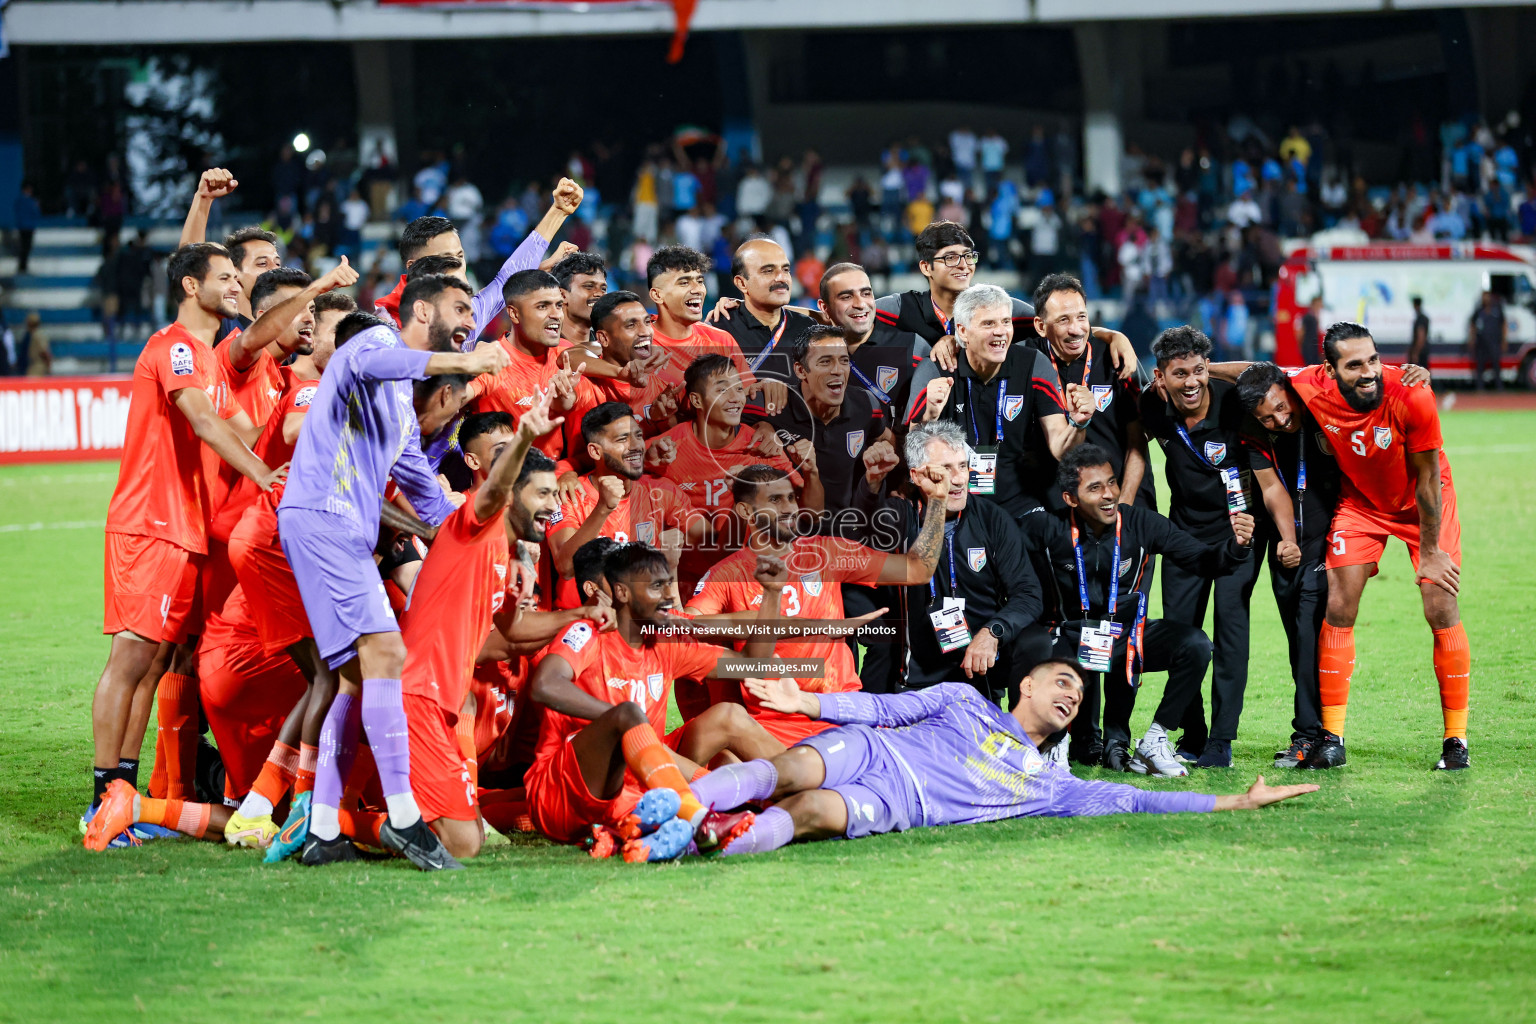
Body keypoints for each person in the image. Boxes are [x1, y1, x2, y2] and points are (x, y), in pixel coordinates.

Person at [275, 275, 511, 870]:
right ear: (422, 310)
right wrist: (469, 356)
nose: (468, 317)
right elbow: (387, 359)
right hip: (325, 518)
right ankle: (406, 819)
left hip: (337, 530)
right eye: (459, 308)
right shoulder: (370, 339)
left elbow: (429, 502)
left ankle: (324, 828)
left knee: (358, 678)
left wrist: (497, 527)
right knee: (387, 655)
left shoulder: (403, 410)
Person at [668, 662, 1317, 858]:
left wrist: (1234, 801)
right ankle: (675, 808)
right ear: (1026, 686)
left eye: (1079, 693)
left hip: (903, 805)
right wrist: (805, 701)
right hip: (875, 749)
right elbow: (885, 708)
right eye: (1062, 681)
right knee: (790, 772)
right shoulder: (963, 698)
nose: (1072, 694)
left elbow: (1135, 798)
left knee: (808, 810)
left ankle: (701, 847)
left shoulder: (1052, 785)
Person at [83, 243, 286, 849]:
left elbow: (249, 428)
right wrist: (257, 471)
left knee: (146, 667)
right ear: (191, 285)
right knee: (129, 662)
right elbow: (202, 420)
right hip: (151, 524)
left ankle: (124, 796)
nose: (235, 285)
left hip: (182, 529)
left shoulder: (208, 359)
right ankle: (100, 803)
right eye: (223, 277)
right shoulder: (175, 347)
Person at [524, 543, 841, 861]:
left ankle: (813, 792)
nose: (668, 597)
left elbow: (751, 664)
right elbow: (545, 685)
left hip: (645, 782)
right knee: (630, 717)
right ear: (621, 593)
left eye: (669, 585)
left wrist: (772, 594)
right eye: (656, 587)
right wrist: (629, 726)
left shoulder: (665, 643)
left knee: (728, 715)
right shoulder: (589, 631)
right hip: (562, 794)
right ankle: (702, 816)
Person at [1272, 323, 1469, 771]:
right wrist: (1195, 372)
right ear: (1330, 370)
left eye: (1374, 360)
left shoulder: (1412, 394)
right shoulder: (1309, 384)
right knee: (1339, 605)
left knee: (1440, 607)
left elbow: (1426, 479)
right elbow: (1256, 369)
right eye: (1355, 364)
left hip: (1424, 505)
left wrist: (1433, 549)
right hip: (1361, 505)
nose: (1369, 372)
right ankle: (1333, 738)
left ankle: (1456, 740)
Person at [388, 389, 565, 862]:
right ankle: (351, 826)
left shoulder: (505, 553)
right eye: (544, 494)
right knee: (464, 845)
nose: (554, 506)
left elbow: (507, 637)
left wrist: (580, 616)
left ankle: (389, 821)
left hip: (438, 699)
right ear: (511, 495)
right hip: (419, 695)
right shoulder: (475, 526)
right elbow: (491, 493)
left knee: (473, 839)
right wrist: (527, 433)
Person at [1019, 445, 1255, 773]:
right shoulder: (1045, 529)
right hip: (1071, 639)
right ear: (1070, 499)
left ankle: (1154, 741)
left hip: (1126, 638)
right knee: (1034, 642)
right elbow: (1004, 568)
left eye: (1112, 483)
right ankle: (1052, 742)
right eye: (1095, 488)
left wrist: (1236, 547)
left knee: (1195, 645)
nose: (1109, 495)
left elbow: (1201, 559)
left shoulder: (1141, 524)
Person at [687, 461, 950, 742]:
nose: (789, 508)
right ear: (746, 511)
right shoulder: (727, 575)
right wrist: (815, 626)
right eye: (775, 500)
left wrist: (937, 502)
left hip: (841, 710)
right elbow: (689, 626)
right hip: (774, 724)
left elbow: (917, 570)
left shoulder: (829, 551)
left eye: (791, 497)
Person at [1137, 325, 1261, 768]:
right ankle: (1193, 735)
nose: (1191, 382)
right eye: (1179, 373)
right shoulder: (1151, 406)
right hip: (1184, 535)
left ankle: (1220, 742)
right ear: (1159, 377)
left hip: (1239, 533)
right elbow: (1132, 449)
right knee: (1182, 635)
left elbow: (1264, 371)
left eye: (1198, 370)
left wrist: (1214, 370)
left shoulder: (1233, 398)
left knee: (1231, 632)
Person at [854, 421, 1045, 703]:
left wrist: (993, 632)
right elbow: (860, 528)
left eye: (963, 466)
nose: (958, 479)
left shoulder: (993, 520)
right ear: (917, 476)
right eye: (945, 469)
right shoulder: (900, 516)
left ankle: (1025, 736)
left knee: (1036, 642)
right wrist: (871, 484)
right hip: (919, 674)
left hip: (979, 665)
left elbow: (1028, 593)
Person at [906, 284, 1096, 518]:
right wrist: (930, 415)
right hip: (954, 503)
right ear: (963, 332)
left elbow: (1061, 448)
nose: (1000, 331)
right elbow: (913, 451)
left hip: (1020, 504)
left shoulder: (1033, 364)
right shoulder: (936, 369)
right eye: (988, 324)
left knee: (1049, 538)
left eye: (1006, 322)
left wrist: (1078, 423)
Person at [1234, 362, 1341, 768]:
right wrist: (1288, 541)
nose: (1280, 419)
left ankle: (1312, 734)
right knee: (1299, 643)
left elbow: (1358, 369)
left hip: (1329, 538)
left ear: (1287, 388)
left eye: (1281, 407)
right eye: (1268, 417)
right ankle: (1319, 733)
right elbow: (1272, 488)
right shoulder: (1255, 432)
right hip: (1288, 547)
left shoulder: (1315, 400)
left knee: (1308, 636)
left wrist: (1406, 371)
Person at [655, 354, 814, 592]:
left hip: (750, 579)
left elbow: (808, 512)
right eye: (723, 390)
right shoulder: (666, 448)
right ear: (697, 401)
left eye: (739, 389)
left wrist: (812, 473)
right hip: (685, 582)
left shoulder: (762, 445)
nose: (735, 398)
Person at [373, 178, 584, 338]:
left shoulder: (468, 316)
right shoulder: (384, 329)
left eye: (460, 256)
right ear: (414, 267)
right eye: (446, 260)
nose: (458, 267)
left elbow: (506, 280)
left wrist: (557, 213)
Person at [544, 402, 693, 609]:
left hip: (640, 621)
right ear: (595, 452)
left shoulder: (658, 492)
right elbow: (566, 567)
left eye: (639, 436)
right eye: (623, 439)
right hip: (584, 622)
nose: (636, 446)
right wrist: (603, 508)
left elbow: (711, 541)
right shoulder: (570, 494)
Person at [1028, 273, 1153, 511]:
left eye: (1081, 317)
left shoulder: (1116, 357)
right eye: (1063, 320)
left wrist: (1124, 507)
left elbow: (1138, 441)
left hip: (1122, 499)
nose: (1076, 329)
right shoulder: (1028, 358)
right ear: (1040, 326)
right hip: (1061, 508)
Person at [464, 268, 588, 458]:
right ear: (514, 314)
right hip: (505, 481)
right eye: (542, 306)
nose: (556, 314)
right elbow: (447, 404)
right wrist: (464, 365)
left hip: (552, 478)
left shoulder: (565, 352)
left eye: (558, 305)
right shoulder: (491, 362)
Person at [765, 324, 889, 513]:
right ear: (800, 370)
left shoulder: (866, 404)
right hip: (793, 531)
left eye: (844, 360)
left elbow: (884, 439)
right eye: (825, 362)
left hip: (847, 529)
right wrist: (762, 424)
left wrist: (886, 457)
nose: (838, 370)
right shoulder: (775, 408)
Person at [818, 262, 931, 422]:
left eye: (866, 294)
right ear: (824, 307)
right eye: (846, 297)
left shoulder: (912, 347)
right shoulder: (812, 351)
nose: (860, 304)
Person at [706, 236, 816, 383]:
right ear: (742, 283)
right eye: (768, 271)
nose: (781, 278)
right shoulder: (719, 330)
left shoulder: (808, 327)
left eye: (786, 269)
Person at [551, 250, 608, 352]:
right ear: (562, 295)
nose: (600, 294)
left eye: (603, 289)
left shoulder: (608, 350)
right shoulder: (541, 347)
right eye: (589, 286)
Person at [1469, 290, 1506, 390]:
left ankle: (1499, 387)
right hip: (1481, 343)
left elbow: (1503, 324)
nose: (1485, 299)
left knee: (1496, 365)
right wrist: (1472, 339)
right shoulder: (1479, 310)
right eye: (1483, 297)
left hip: (1494, 342)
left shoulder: (1497, 310)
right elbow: (1472, 324)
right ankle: (1480, 387)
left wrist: (1503, 340)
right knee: (1480, 366)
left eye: (1487, 297)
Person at [14, 181, 40, 274]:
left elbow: (36, 214)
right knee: (24, 247)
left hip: (29, 227)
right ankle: (22, 267)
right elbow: (19, 214)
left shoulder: (32, 201)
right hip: (23, 227)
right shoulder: (21, 201)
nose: (29, 191)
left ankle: (23, 266)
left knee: (27, 247)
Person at [1405, 297, 1431, 369]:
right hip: (1423, 351)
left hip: (1420, 353)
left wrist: (1415, 352)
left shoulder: (1420, 319)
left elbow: (1421, 336)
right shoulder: (1423, 318)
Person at [1298, 296, 1323, 367]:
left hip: (1314, 346)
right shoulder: (1307, 317)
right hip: (1308, 345)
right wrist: (1301, 346)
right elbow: (1301, 333)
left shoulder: (1316, 316)